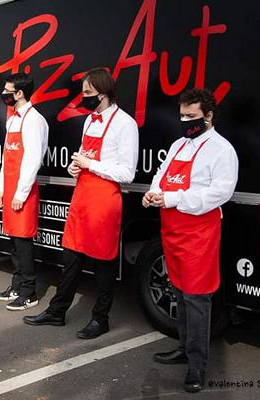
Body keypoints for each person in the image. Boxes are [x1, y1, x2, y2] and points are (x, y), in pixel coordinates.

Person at [24, 68, 139, 339]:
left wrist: (92, 165)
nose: (83, 98)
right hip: (82, 196)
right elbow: (85, 157)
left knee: (103, 263)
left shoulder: (125, 124)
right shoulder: (89, 121)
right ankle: (58, 311)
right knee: (71, 256)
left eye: (88, 93)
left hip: (105, 201)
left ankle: (100, 318)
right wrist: (75, 167)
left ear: (104, 93)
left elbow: (127, 173)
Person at [142, 88, 238, 393]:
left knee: (196, 298)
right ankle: (184, 347)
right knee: (179, 292)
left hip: (199, 233)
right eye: (182, 116)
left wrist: (172, 199)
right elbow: (161, 174)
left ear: (208, 116)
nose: (185, 122)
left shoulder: (222, 150)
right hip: (172, 232)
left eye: (192, 117)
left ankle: (197, 365)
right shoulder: (177, 145)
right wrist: (154, 192)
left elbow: (219, 193)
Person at [0, 73, 48, 311]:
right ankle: (16, 285)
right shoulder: (13, 120)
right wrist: (2, 188)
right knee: (13, 240)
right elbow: (7, 159)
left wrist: (20, 193)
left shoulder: (34, 120)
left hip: (23, 192)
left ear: (19, 93)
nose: (4, 94)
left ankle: (29, 291)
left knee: (23, 242)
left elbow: (33, 159)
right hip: (11, 190)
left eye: (8, 90)